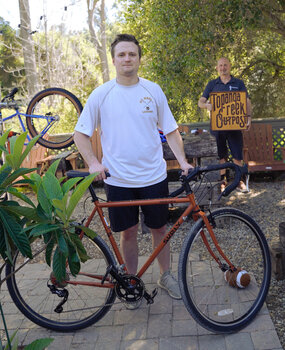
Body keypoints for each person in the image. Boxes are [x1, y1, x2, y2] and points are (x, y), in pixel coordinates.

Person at [74, 34, 193, 306]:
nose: (127, 58)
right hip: (118, 179)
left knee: (160, 228)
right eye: (121, 55)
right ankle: (130, 281)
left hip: (154, 175)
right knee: (127, 232)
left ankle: (165, 275)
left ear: (139, 59)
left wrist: (183, 161)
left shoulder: (153, 90)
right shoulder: (101, 94)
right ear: (114, 60)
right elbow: (80, 135)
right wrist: (94, 162)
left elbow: (172, 131)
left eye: (132, 54)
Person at [198, 57, 252, 193]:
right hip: (218, 126)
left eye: (225, 65)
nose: (223, 68)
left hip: (234, 126)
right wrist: (206, 105)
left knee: (237, 155)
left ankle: (238, 180)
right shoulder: (212, 84)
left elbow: (247, 101)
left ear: (230, 66)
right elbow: (200, 101)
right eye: (220, 65)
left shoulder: (238, 83)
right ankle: (223, 180)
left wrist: (249, 117)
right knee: (221, 155)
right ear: (217, 68)